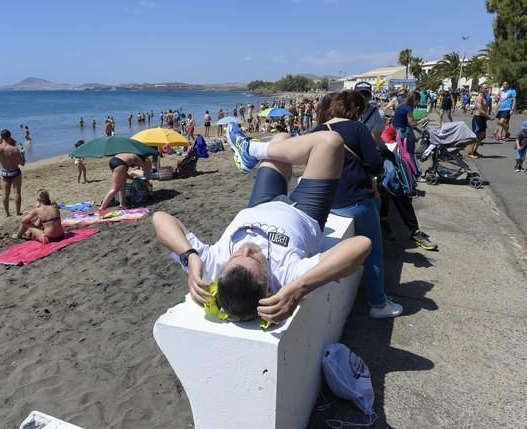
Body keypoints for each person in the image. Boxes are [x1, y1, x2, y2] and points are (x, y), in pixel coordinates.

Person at [153, 122, 371, 323]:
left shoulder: (212, 266)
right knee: (330, 142)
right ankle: (251, 150)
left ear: (220, 276)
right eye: (255, 258)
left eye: (236, 256)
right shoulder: (289, 277)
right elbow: (361, 245)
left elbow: (160, 219)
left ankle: (252, 151)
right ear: (268, 286)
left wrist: (190, 256)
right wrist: (299, 288)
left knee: (281, 138)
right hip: (306, 212)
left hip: (260, 204)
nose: (247, 248)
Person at [314, 91, 403, 318]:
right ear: (355, 109)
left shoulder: (317, 131)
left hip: (327, 201)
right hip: (356, 200)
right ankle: (378, 304)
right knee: (373, 250)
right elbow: (374, 164)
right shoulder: (357, 129)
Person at [355, 83, 438, 251]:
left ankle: (414, 231)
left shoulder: (376, 113)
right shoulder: (348, 113)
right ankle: (383, 222)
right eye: (360, 95)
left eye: (366, 95)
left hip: (375, 151)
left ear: (370, 96)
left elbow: (372, 141)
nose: (363, 98)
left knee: (393, 182)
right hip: (357, 154)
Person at [0, 129, 25, 217]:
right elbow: (22, 163)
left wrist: (2, 138)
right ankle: (17, 212)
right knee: (17, 193)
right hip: (15, 171)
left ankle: (7, 213)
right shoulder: (14, 149)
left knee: (5, 193)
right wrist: (23, 154)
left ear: (1, 137)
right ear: (10, 137)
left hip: (5, 172)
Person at [469, 84, 492, 159]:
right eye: (486, 88)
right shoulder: (479, 98)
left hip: (483, 118)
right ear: (481, 89)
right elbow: (480, 110)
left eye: (487, 88)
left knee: (482, 135)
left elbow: (487, 108)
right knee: (475, 136)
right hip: (477, 118)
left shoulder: (486, 97)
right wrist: (488, 116)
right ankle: (470, 152)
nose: (487, 89)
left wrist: (487, 116)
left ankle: (475, 151)